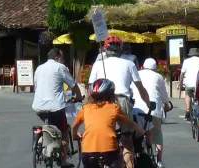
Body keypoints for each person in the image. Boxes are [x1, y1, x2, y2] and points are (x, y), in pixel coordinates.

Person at [88, 37, 151, 168]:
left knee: (101, 134)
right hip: (123, 101)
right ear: (121, 50)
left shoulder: (99, 64)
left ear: (105, 49)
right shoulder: (129, 64)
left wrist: (87, 106)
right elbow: (140, 88)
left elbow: (90, 88)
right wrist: (148, 103)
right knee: (126, 139)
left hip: (102, 101)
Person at [73, 78, 145, 168]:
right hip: (109, 149)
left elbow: (75, 126)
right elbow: (130, 123)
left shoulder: (85, 108)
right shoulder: (114, 108)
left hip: (88, 151)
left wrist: (75, 135)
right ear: (111, 95)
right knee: (119, 157)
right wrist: (141, 131)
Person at [33, 48, 83, 167]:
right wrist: (79, 97)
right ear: (57, 58)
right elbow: (73, 85)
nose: (64, 61)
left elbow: (37, 86)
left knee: (48, 122)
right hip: (55, 107)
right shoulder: (60, 68)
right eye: (63, 58)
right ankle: (64, 160)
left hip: (39, 107)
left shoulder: (39, 68)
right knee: (64, 131)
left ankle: (41, 140)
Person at [131, 58, 171, 168]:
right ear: (155, 67)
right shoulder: (158, 77)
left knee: (135, 133)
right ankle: (159, 160)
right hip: (154, 109)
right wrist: (166, 104)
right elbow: (163, 95)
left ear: (142, 66)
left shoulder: (137, 74)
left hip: (137, 109)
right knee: (157, 133)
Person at [180, 48, 199, 121]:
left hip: (189, 83)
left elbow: (182, 74)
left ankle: (188, 109)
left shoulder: (186, 61)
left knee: (188, 94)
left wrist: (181, 84)